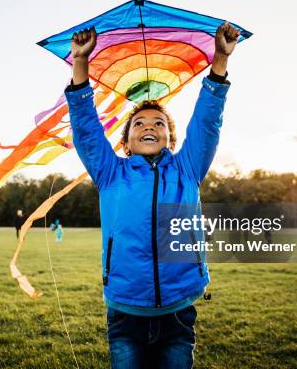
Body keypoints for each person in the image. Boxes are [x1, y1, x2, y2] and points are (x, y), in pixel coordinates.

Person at [66, 22, 239, 368]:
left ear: (171, 140)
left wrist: (220, 58)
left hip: (178, 311)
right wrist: (80, 63)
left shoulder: (187, 169)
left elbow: (207, 123)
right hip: (125, 312)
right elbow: (86, 127)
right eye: (140, 123)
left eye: (159, 123)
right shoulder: (110, 173)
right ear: (125, 140)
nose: (149, 126)